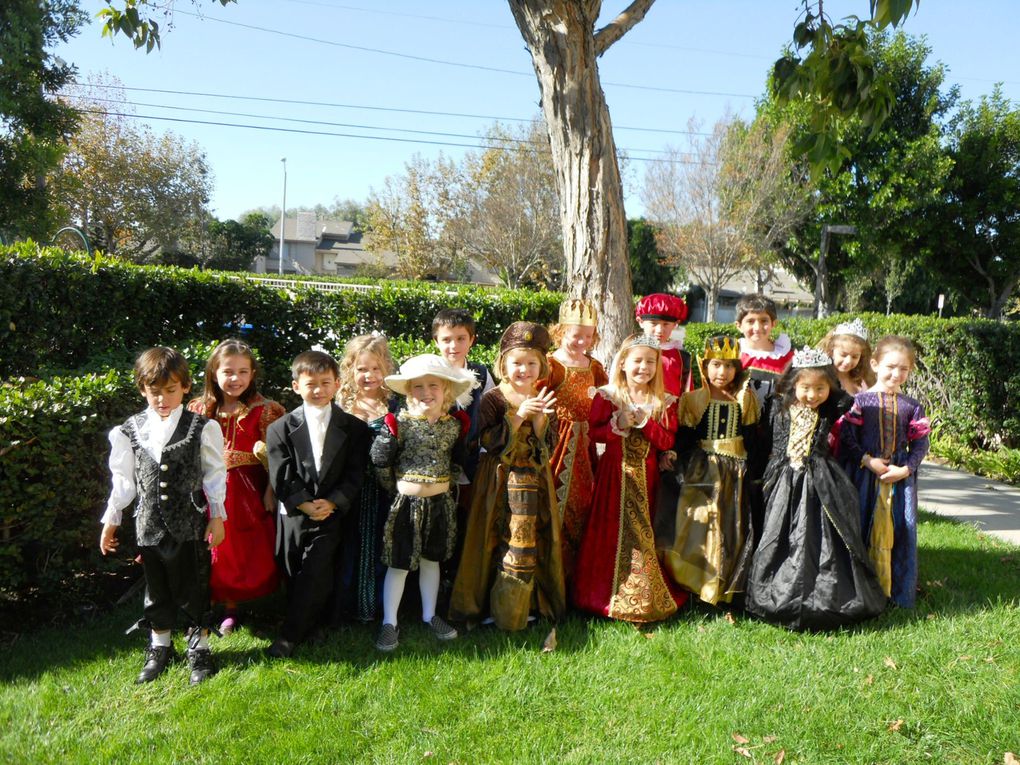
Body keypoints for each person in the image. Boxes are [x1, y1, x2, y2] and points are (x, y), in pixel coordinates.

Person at [100, 346, 227, 685]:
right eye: (155, 392)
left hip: (189, 522)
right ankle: (160, 646)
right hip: (149, 524)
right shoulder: (129, 430)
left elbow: (215, 472)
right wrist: (112, 518)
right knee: (156, 589)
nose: (162, 399)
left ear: (185, 387)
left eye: (171, 390)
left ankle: (199, 648)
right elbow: (124, 480)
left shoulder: (202, 426)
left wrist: (217, 514)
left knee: (193, 585)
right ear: (143, 389)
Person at [745, 347, 887, 630]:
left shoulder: (832, 408)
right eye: (806, 388)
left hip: (820, 479)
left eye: (820, 388)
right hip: (782, 478)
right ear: (793, 384)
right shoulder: (778, 406)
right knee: (778, 534)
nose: (812, 395)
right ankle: (776, 592)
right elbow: (764, 443)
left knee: (819, 538)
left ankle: (824, 596)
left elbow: (847, 397)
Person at [450, 322, 566, 631]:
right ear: (504, 364)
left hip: (533, 480)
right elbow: (484, 441)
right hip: (499, 480)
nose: (524, 370)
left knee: (530, 540)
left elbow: (545, 444)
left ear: (540, 366)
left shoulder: (542, 393)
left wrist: (540, 420)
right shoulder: (495, 399)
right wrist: (519, 415)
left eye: (531, 363)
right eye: (517, 363)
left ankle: (524, 604)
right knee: (494, 539)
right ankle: (490, 606)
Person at [265, 350, 370, 658]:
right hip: (295, 513)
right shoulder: (279, 428)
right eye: (311, 383)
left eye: (326, 382)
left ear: (337, 384)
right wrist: (304, 503)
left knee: (316, 567)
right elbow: (280, 472)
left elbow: (356, 472)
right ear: (296, 386)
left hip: (332, 513)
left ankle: (290, 634)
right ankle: (318, 622)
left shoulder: (354, 428)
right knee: (293, 568)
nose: (319, 390)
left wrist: (333, 502)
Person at [573, 334, 684, 622]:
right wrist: (618, 424)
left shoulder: (664, 401)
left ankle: (644, 591)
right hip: (614, 474)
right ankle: (603, 593)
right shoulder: (608, 396)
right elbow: (595, 432)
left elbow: (667, 440)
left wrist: (646, 423)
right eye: (637, 361)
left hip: (647, 477)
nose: (643, 367)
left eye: (650, 362)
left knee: (642, 530)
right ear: (623, 363)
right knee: (611, 529)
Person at [370, 354, 476, 652]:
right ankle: (389, 621)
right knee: (400, 563)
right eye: (418, 387)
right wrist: (396, 489)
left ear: (446, 391)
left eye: (433, 386)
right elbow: (380, 464)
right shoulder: (398, 423)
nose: (426, 392)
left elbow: (457, 462)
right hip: (406, 503)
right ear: (407, 391)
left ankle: (430, 614)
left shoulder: (454, 426)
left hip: (440, 503)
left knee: (432, 560)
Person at [187, 339, 285, 635]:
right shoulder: (199, 408)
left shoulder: (265, 410)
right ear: (213, 373)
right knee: (214, 548)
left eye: (243, 372)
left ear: (253, 373)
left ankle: (240, 603)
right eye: (228, 372)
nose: (235, 379)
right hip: (208, 489)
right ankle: (214, 602)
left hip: (249, 492)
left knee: (244, 548)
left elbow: (275, 455)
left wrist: (270, 490)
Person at [656, 336, 760, 606]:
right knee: (700, 522)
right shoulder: (693, 400)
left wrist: (757, 470)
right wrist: (673, 453)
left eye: (728, 366)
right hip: (702, 470)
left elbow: (753, 436)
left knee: (731, 525)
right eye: (715, 365)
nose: (721, 373)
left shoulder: (745, 399)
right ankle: (696, 583)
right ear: (705, 366)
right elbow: (686, 435)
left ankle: (725, 587)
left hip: (736, 471)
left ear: (737, 368)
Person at [840, 336, 930, 608]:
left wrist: (906, 469)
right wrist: (867, 461)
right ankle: (860, 593)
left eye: (904, 369)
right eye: (891, 366)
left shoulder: (912, 406)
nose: (896, 374)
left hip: (900, 481)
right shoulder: (861, 402)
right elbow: (848, 435)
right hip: (865, 476)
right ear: (875, 364)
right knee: (861, 526)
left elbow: (921, 442)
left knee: (899, 529)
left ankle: (896, 593)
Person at [541, 298, 608, 588]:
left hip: (587, 444)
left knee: (583, 504)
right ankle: (552, 574)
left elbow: (606, 398)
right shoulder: (551, 364)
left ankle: (577, 578)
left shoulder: (594, 366)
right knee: (554, 502)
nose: (581, 340)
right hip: (557, 440)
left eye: (588, 335)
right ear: (560, 332)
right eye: (575, 334)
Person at [431, 309, 495, 596]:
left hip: (470, 459)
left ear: (472, 340)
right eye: (446, 339)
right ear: (436, 341)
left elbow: (491, 412)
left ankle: (459, 580)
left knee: (464, 518)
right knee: (436, 521)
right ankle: (433, 579)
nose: (453, 346)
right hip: (435, 461)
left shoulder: (482, 373)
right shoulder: (429, 372)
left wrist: (482, 450)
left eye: (460, 339)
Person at [334, 333, 397, 623]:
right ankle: (348, 606)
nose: (369, 375)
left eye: (375, 368)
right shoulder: (342, 405)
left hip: (386, 488)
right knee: (351, 545)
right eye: (361, 369)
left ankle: (381, 607)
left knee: (383, 545)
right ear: (350, 371)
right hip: (352, 489)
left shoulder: (396, 404)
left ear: (386, 369)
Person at [735, 294, 794, 409]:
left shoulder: (788, 358)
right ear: (739, 326)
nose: (757, 327)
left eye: (764, 321)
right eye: (750, 321)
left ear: (773, 323)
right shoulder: (734, 354)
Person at [635, 293, 694, 396]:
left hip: (672, 410)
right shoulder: (631, 352)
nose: (659, 330)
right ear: (640, 322)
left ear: (675, 324)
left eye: (666, 324)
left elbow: (688, 393)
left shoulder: (681, 357)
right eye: (653, 323)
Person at [818, 318, 875, 396]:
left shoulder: (864, 379)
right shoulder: (823, 378)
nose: (848, 361)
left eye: (855, 357)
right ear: (831, 351)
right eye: (843, 355)